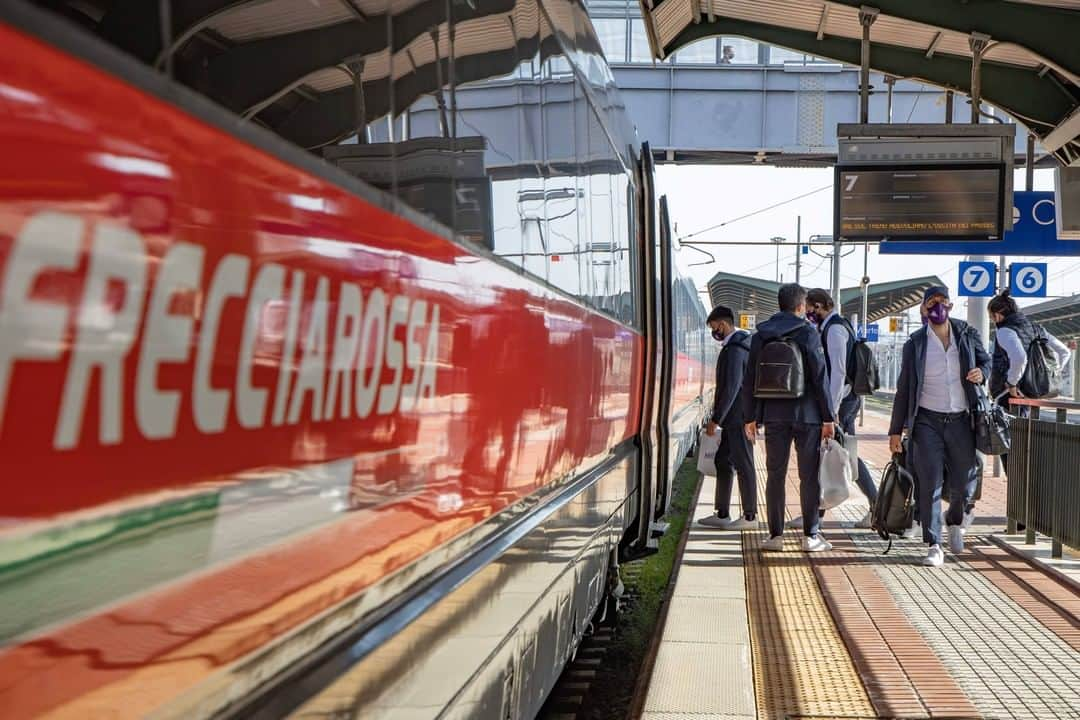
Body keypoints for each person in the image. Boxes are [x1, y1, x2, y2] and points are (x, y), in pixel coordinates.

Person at [888, 285, 991, 567]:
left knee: (963, 480)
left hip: (961, 419)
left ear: (951, 306)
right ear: (923, 309)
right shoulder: (915, 343)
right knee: (930, 481)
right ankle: (934, 543)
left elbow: (986, 361)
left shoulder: (967, 334)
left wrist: (982, 373)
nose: (937, 307)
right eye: (931, 302)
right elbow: (905, 388)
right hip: (926, 421)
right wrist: (895, 430)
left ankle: (955, 520)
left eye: (942, 302)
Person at [742, 283, 836, 552]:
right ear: (800, 306)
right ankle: (810, 536)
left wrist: (751, 417)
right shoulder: (808, 332)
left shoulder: (761, 334)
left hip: (773, 414)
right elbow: (820, 377)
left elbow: (750, 379)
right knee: (808, 476)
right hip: (807, 415)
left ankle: (775, 536)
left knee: (775, 474)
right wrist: (828, 417)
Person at [805, 288, 877, 528]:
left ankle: (876, 506)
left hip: (842, 402)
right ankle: (815, 512)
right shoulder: (829, 327)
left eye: (809, 308)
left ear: (819, 306)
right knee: (834, 453)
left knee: (844, 454)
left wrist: (831, 408)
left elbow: (838, 372)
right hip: (843, 401)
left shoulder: (835, 329)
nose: (807, 313)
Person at [699, 306, 758, 529]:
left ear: (722, 325)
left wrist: (716, 419)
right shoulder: (740, 345)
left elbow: (732, 387)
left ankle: (750, 516)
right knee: (723, 461)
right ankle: (722, 513)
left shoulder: (735, 349)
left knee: (745, 465)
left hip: (739, 417)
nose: (715, 333)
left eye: (715, 328)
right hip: (735, 417)